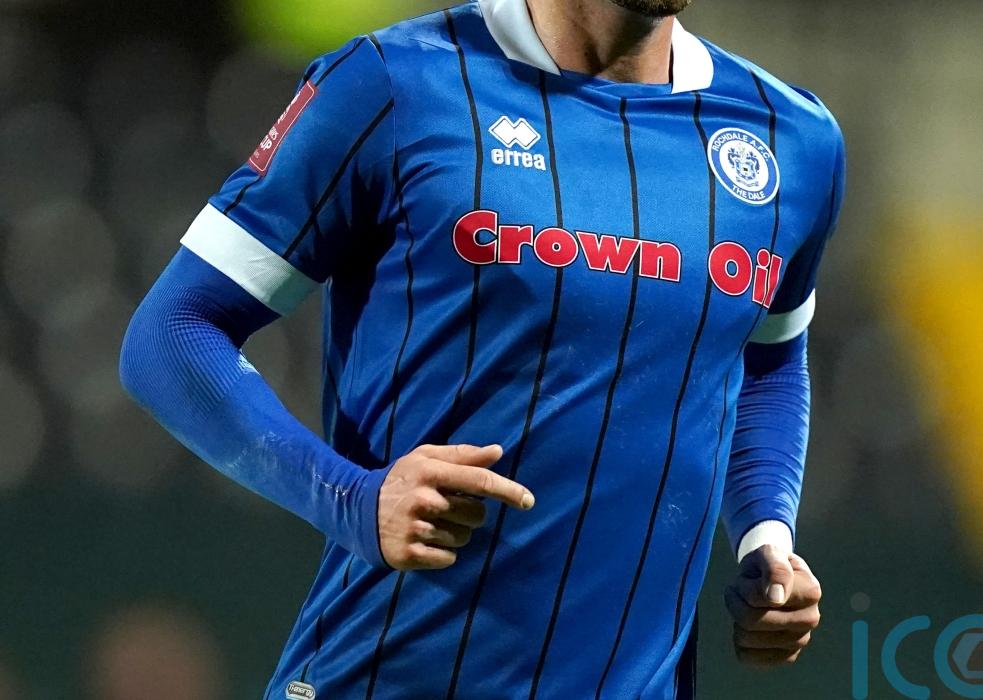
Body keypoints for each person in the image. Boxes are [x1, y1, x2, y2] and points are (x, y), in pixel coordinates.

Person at [120, 0, 845, 696]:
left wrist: (765, 537)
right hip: (386, 681)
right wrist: (350, 499)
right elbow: (172, 332)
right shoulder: (393, 84)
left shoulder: (791, 138)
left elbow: (769, 357)